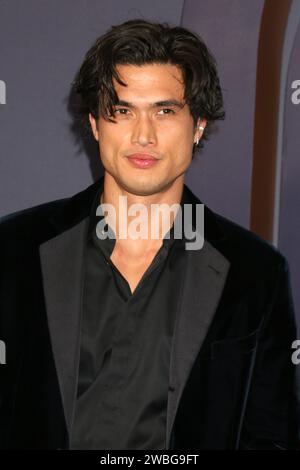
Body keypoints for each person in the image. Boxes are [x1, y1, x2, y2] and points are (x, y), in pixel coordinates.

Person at [0, 18, 299, 450]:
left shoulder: (256, 273)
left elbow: (273, 438)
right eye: (122, 111)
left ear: (197, 125)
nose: (143, 135)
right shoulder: (13, 251)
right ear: (96, 125)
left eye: (165, 111)